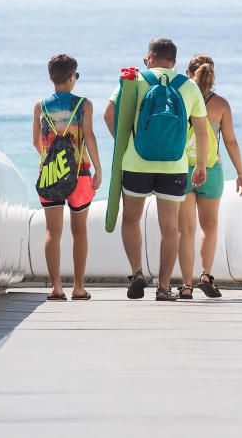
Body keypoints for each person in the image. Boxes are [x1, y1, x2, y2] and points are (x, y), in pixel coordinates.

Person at [104, 37, 210, 301]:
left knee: (131, 219)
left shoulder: (135, 81)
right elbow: (201, 129)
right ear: (174, 61)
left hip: (136, 161)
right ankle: (163, 288)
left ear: (149, 57)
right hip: (174, 165)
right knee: (170, 227)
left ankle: (137, 273)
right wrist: (199, 165)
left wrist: (125, 142)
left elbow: (109, 113)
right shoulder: (188, 86)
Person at [176, 54, 242, 300]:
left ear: (188, 72)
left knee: (186, 230)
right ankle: (206, 275)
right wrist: (240, 172)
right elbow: (230, 141)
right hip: (211, 170)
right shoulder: (221, 105)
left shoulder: (180, 100)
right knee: (210, 225)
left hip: (182, 169)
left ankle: (186, 285)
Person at [33, 54, 102, 301]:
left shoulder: (40, 105)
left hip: (50, 174)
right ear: (72, 77)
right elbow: (89, 137)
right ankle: (78, 287)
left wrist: (53, 160)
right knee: (79, 230)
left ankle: (56, 287)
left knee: (53, 230)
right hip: (80, 173)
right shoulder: (84, 104)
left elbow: (37, 143)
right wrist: (98, 168)